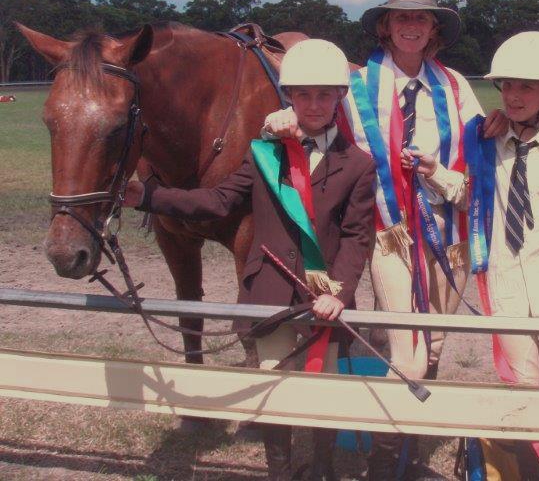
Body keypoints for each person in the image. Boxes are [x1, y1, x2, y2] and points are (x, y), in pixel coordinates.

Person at [264, 0, 506, 478]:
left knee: (433, 345)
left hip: (449, 235)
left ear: (433, 28)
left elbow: (477, 157)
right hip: (388, 232)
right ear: (386, 27)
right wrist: (278, 122)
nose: (411, 26)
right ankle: (381, 462)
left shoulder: (455, 85)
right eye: (401, 19)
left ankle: (404, 452)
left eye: (421, 19)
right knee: (409, 352)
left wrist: (450, 165)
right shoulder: (356, 84)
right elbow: (317, 122)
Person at [123, 39, 376, 481]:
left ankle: (322, 468)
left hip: (325, 297)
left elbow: (357, 238)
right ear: (289, 98)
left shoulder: (358, 165)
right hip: (270, 289)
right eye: (303, 95)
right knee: (270, 383)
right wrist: (148, 196)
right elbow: (218, 201)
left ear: (341, 97)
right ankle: (278, 469)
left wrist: (340, 293)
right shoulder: (264, 154)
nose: (313, 104)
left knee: (326, 388)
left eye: (324, 94)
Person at [409, 31, 539, 478]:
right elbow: (474, 197)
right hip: (506, 288)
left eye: (526, 86)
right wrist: (437, 174)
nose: (513, 96)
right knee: (524, 399)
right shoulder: (490, 142)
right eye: (507, 85)